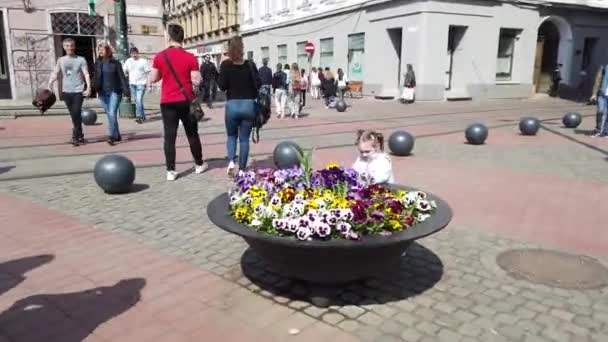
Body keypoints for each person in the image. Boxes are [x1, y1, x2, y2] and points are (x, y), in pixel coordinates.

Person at [147, 23, 207, 181]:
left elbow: (153, 78)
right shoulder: (190, 57)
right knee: (192, 134)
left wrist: (163, 74)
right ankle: (199, 164)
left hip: (167, 101)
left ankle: (171, 171)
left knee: (169, 136)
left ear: (169, 37)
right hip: (186, 100)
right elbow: (196, 80)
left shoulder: (160, 56)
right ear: (183, 37)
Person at [217, 36, 261, 177]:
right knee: (244, 139)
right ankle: (242, 169)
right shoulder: (250, 65)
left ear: (229, 49)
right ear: (242, 48)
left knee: (231, 136)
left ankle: (231, 162)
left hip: (232, 105)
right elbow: (258, 84)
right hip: (248, 105)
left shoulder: (225, 65)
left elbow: (222, 86)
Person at [47, 38, 92, 146]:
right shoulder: (61, 60)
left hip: (78, 91)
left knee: (76, 112)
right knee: (74, 115)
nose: (70, 48)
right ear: (64, 47)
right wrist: (49, 84)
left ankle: (75, 136)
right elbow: (55, 73)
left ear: (74, 46)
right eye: (67, 46)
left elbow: (86, 74)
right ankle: (80, 134)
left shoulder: (81, 59)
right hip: (66, 91)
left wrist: (88, 88)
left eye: (71, 45)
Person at [93, 42, 129, 145]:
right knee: (109, 114)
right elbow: (95, 77)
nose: (100, 51)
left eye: (102, 49)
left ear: (108, 51)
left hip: (115, 91)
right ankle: (117, 135)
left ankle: (112, 136)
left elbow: (122, 77)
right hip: (102, 92)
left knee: (112, 113)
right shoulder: (97, 63)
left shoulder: (116, 63)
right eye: (99, 49)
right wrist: (92, 87)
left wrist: (126, 91)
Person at [123, 47, 150, 124]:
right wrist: (125, 73)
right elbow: (124, 69)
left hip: (141, 84)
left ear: (138, 53)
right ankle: (143, 116)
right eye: (132, 54)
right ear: (130, 54)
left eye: (135, 53)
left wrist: (149, 84)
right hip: (132, 84)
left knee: (138, 100)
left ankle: (140, 117)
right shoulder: (128, 61)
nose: (134, 55)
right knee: (137, 101)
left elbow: (148, 72)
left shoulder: (143, 61)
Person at [591, 64, 608, 138]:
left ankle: (606, 132)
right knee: (600, 111)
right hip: (602, 93)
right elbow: (597, 80)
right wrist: (594, 93)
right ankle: (598, 130)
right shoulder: (603, 68)